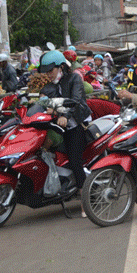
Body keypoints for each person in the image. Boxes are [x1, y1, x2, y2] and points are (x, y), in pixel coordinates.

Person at [37, 50, 92, 200]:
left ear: (61, 67)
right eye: (47, 72)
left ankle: (84, 197)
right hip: (60, 125)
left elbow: (76, 101)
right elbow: (45, 101)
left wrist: (64, 116)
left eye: (51, 71)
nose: (49, 74)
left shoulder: (74, 79)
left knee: (74, 160)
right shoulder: (51, 86)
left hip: (77, 123)